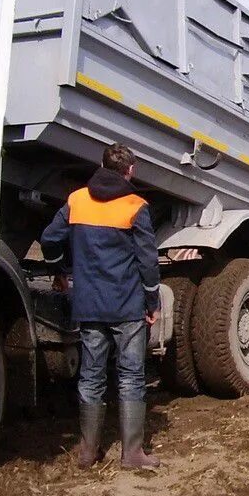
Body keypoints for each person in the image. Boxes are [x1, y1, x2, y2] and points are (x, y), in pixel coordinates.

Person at [41, 143, 162, 468]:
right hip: (127, 307)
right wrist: (153, 301)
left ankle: (87, 452)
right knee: (131, 376)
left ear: (102, 165)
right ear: (130, 170)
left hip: (89, 306)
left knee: (91, 375)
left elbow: (50, 239)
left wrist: (59, 271)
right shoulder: (135, 206)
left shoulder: (77, 200)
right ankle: (132, 454)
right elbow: (147, 261)